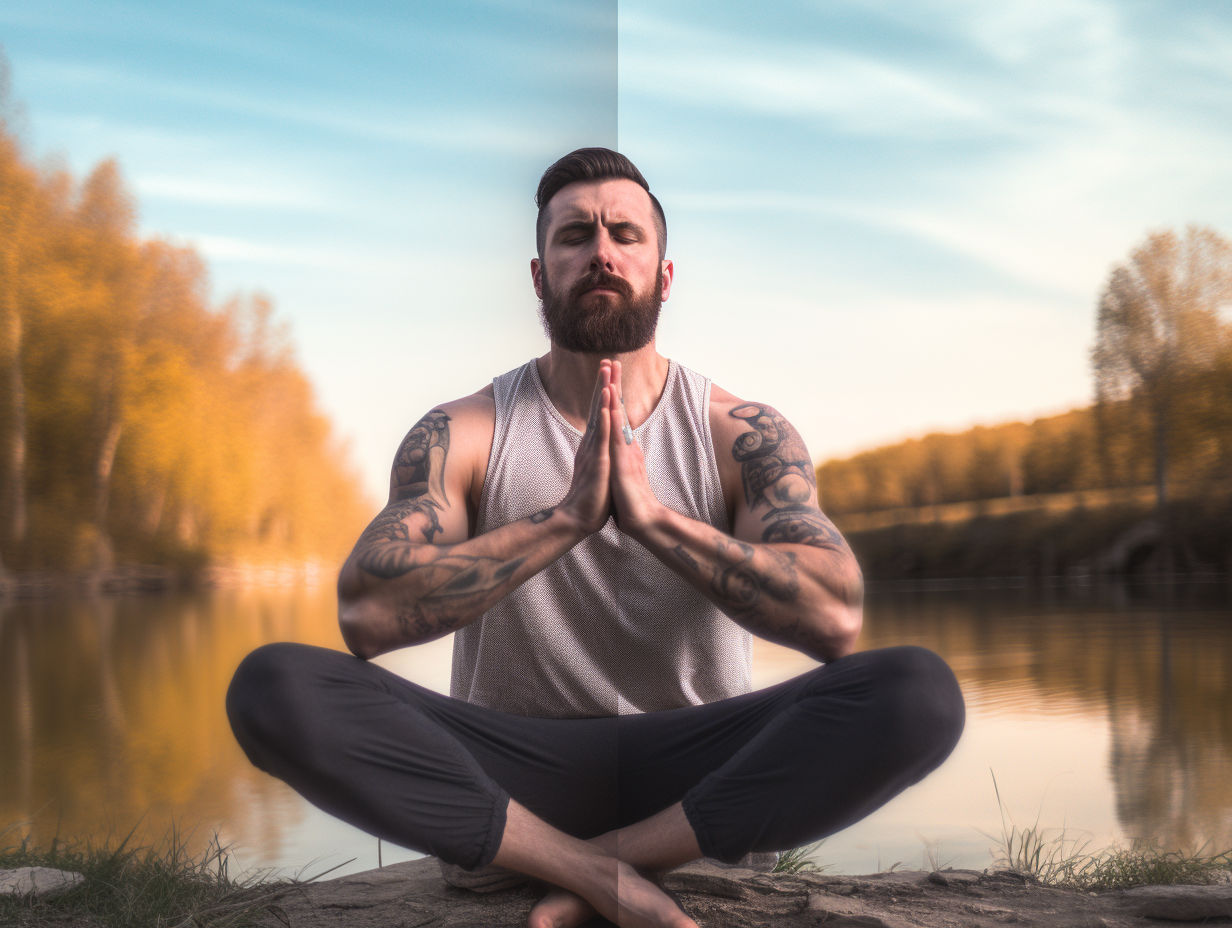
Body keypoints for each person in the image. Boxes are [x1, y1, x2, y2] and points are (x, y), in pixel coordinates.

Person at [227, 148, 965, 928]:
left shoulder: (740, 432)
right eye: (574, 235)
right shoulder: (467, 430)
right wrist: (566, 520)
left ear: (664, 274)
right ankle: (586, 870)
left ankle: (613, 860)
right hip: (511, 769)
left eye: (624, 233)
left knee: (917, 691)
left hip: (696, 772)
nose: (601, 251)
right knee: (273, 684)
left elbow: (834, 616)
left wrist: (653, 521)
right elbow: (368, 615)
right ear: (541, 275)